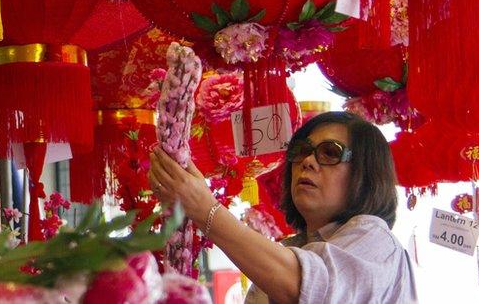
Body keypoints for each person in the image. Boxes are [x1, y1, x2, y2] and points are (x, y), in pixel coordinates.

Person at [148, 111, 417, 304]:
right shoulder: (291, 251)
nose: (308, 162)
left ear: (366, 173)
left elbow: (306, 285)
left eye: (330, 153)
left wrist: (204, 209)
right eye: (301, 150)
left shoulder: (377, 241)